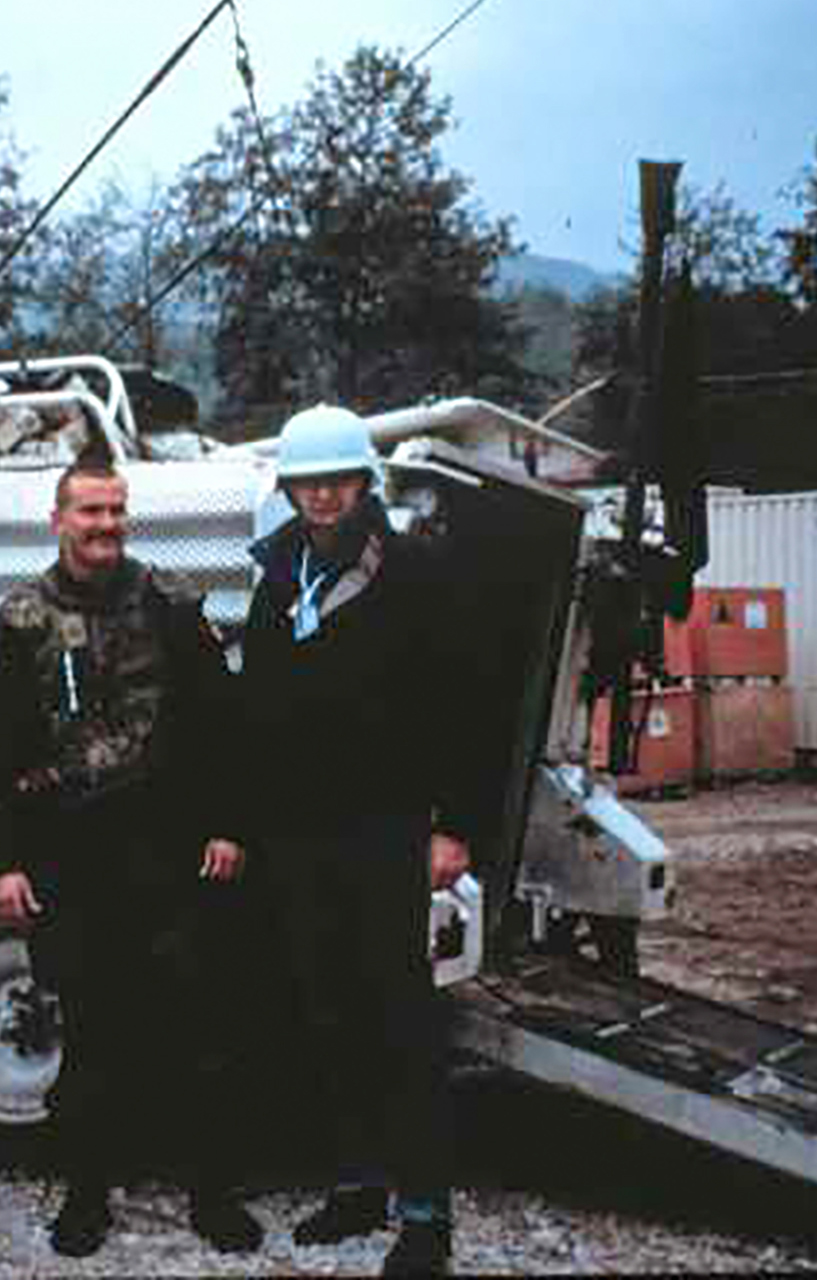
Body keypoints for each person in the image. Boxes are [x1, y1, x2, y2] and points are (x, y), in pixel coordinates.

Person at [0, 458, 264, 1259]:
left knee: (197, 1024)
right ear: (58, 519)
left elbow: (221, 727)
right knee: (91, 1028)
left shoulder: (171, 606)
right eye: (89, 512)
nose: (104, 526)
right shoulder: (22, 620)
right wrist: (5, 862)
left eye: (114, 512)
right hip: (72, 856)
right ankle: (86, 1191)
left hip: (171, 852)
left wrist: (228, 826)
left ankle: (212, 1191)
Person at [238, 406, 482, 1276]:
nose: (324, 495)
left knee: (402, 1016)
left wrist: (453, 825)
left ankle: (425, 1216)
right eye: (308, 482)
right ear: (291, 489)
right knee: (325, 1007)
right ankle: (354, 1184)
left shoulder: (412, 570)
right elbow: (258, 703)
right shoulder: (277, 575)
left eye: (338, 480)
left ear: (363, 485)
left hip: (385, 829)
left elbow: (463, 704)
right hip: (300, 834)